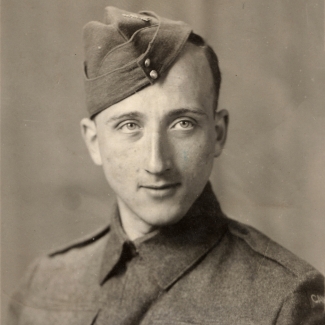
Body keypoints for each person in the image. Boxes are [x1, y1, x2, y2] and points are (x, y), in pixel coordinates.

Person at [7, 6, 324, 325]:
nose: (157, 163)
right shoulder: (44, 284)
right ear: (93, 142)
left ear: (218, 134)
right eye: (129, 126)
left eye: (183, 123)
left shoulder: (285, 299)